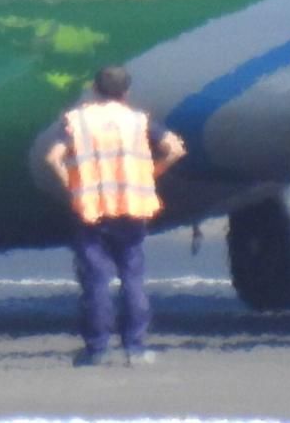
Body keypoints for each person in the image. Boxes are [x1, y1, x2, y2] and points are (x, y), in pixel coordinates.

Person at [45, 66, 186, 367]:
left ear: (95, 89)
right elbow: (174, 149)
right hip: (132, 205)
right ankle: (135, 347)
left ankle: (97, 349)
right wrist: (151, 173)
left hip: (91, 207)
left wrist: (72, 186)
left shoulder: (77, 120)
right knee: (132, 278)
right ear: (126, 92)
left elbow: (53, 158)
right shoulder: (138, 121)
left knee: (96, 280)